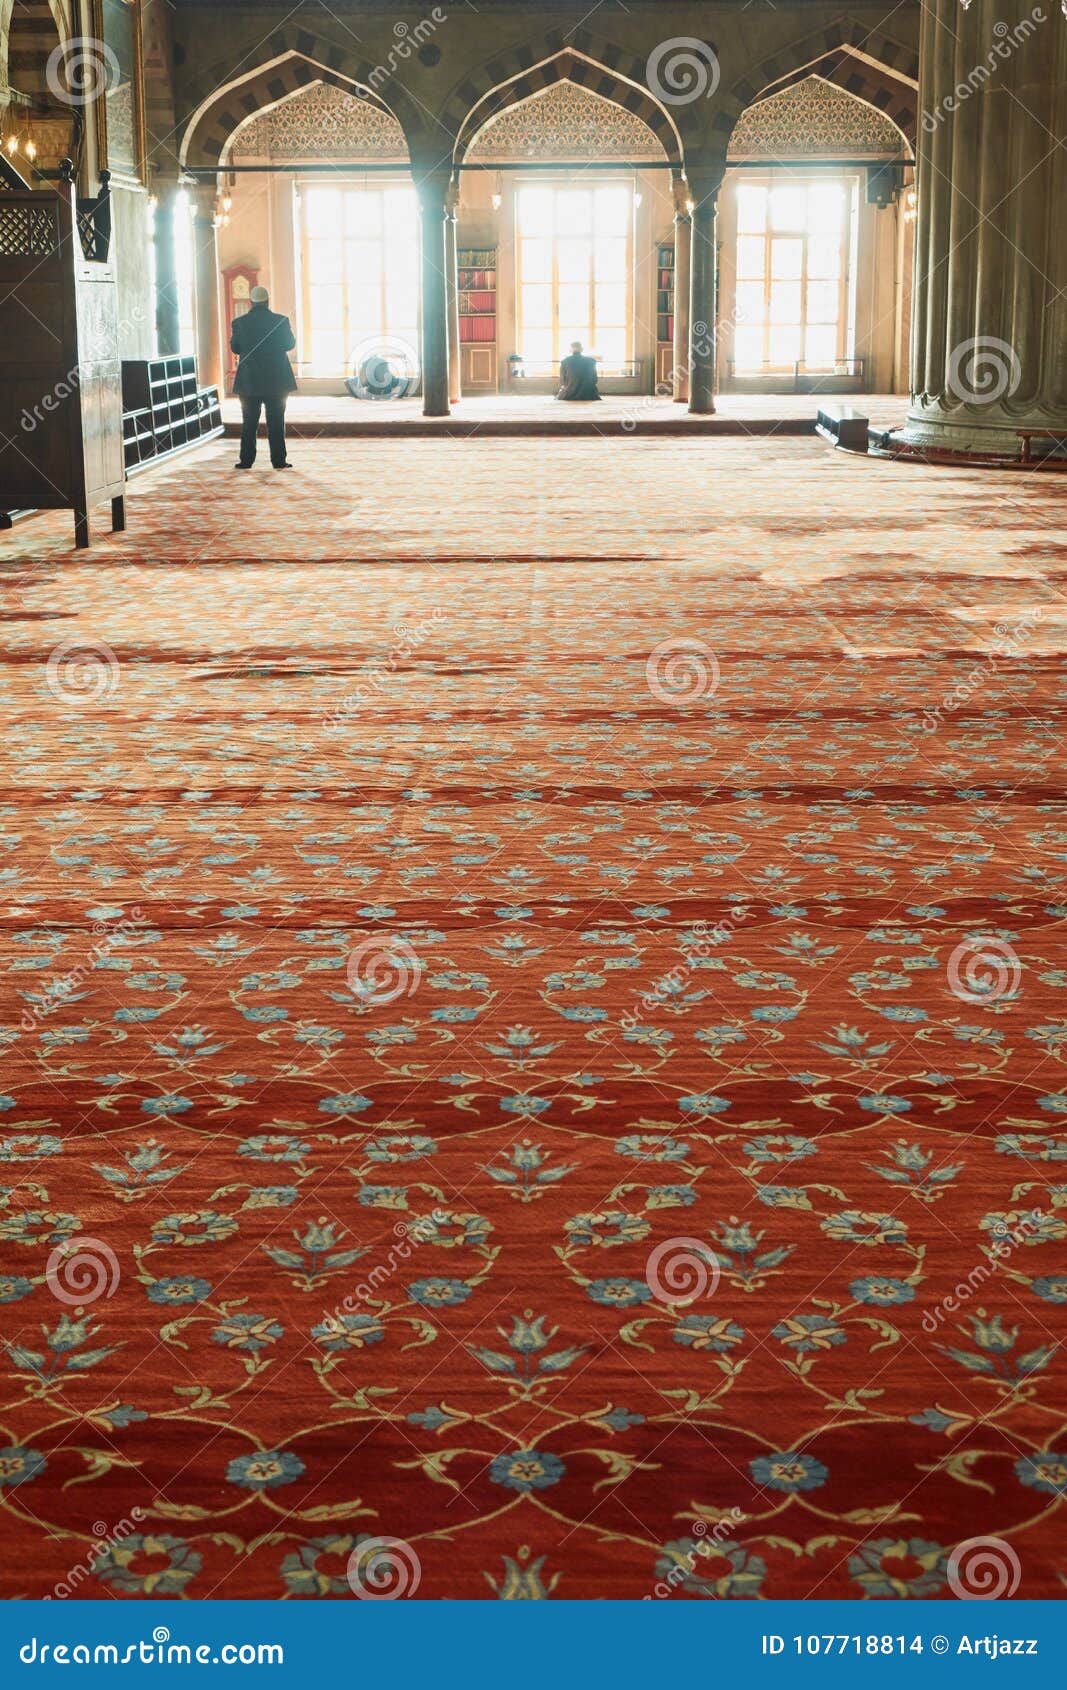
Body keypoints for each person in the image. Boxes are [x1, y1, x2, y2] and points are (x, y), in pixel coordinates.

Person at [231, 285, 298, 469]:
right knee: (276, 421)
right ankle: (278, 460)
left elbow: (235, 348)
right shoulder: (281, 321)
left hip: (249, 381)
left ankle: (246, 461)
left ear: (250, 303)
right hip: (276, 380)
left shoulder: (239, 323)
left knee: (249, 422)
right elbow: (289, 344)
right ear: (267, 301)